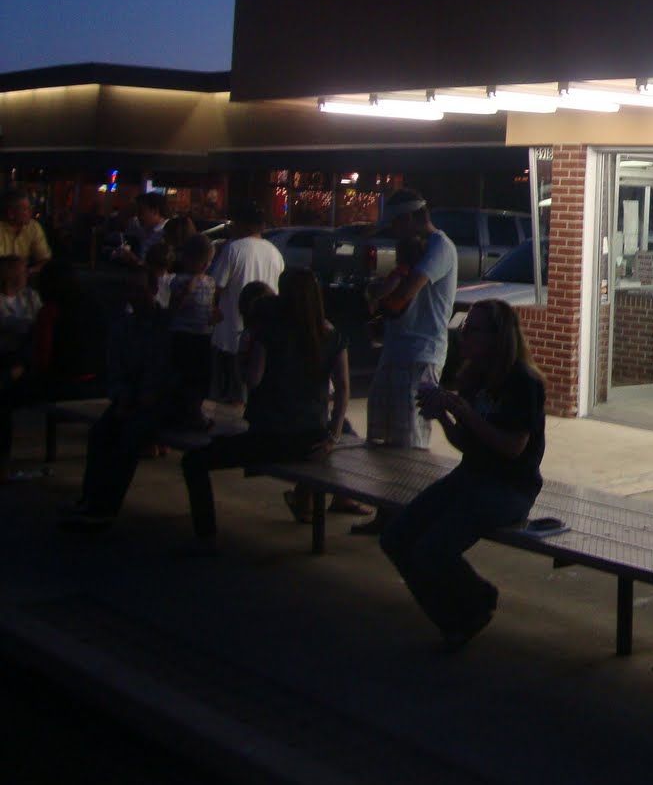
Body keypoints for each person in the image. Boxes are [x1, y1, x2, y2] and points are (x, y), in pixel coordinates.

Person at [381, 299, 546, 649]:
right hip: (471, 477)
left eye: (473, 329)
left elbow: (512, 447)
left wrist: (465, 412)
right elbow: (467, 444)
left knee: (430, 550)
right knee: (396, 536)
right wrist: (441, 414)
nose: (464, 334)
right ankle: (466, 608)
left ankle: (470, 609)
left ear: (497, 336)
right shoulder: (474, 376)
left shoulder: (523, 382)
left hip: (509, 490)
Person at [178, 269, 350, 554]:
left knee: (194, 461)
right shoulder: (333, 336)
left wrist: (243, 358)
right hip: (311, 439)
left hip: (269, 436)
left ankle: (205, 533)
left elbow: (253, 379)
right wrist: (333, 437)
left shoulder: (270, 332)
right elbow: (343, 389)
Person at [355, 189, 458, 535]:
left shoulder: (440, 247)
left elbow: (404, 293)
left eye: (396, 224)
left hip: (422, 352)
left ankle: (411, 518)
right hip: (396, 349)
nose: (394, 233)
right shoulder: (412, 249)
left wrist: (381, 292)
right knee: (383, 435)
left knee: (410, 438)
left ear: (411, 217)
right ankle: (387, 514)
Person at [60, 265, 178, 531]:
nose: (135, 295)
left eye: (140, 289)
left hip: (153, 401)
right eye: (131, 290)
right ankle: (90, 499)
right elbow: (114, 367)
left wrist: (141, 398)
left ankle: (106, 507)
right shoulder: (123, 326)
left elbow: (163, 370)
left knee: (129, 438)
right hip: (128, 397)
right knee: (100, 434)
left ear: (153, 290)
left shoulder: (165, 326)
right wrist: (122, 396)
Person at [1, 259, 103, 481]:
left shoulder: (51, 311)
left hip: (64, 382)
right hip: (96, 381)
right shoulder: (93, 305)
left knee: (4, 395)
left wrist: (23, 369)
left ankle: (2, 462)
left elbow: (42, 357)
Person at [209, 201, 284, 407]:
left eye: (235, 222)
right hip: (262, 331)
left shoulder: (233, 249)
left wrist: (212, 309)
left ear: (244, 225)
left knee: (230, 392)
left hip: (230, 328)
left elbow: (216, 285)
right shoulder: (275, 252)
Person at [166, 234, 217, 431]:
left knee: (201, 376)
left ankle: (194, 410)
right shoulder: (180, 281)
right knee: (185, 375)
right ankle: (184, 412)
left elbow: (211, 306)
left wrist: (214, 316)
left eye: (208, 262)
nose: (204, 266)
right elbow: (174, 308)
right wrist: (186, 292)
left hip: (203, 333)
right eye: (200, 261)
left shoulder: (210, 282)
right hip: (184, 334)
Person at [0, 188, 51, 276]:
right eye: (25, 209)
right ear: (11, 214)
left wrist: (28, 272)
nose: (30, 212)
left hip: (27, 277)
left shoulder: (33, 227)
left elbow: (44, 259)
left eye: (30, 208)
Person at [0, 256, 42, 359]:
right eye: (23, 271)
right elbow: (6, 323)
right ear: (9, 275)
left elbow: (41, 318)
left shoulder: (31, 295)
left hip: (30, 352)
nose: (27, 274)